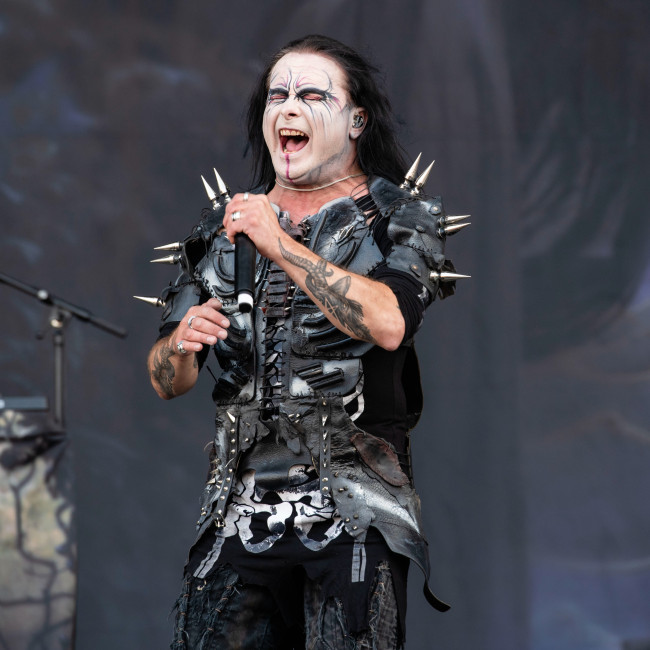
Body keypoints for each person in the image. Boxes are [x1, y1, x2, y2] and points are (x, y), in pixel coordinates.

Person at [146, 34, 467, 650]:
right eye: (278, 96)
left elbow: (389, 321)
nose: (289, 108)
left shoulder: (398, 218)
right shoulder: (223, 227)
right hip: (237, 510)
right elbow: (166, 380)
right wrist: (182, 345)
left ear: (356, 120)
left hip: (357, 508)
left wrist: (280, 245)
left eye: (312, 95)